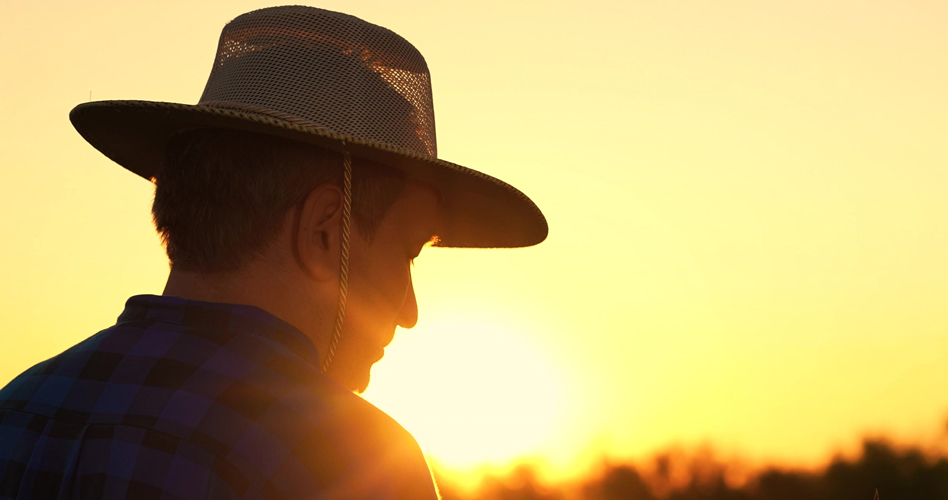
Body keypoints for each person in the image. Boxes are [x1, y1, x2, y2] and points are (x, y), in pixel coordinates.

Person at [0, 6, 547, 499]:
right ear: (324, 231)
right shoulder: (346, 461)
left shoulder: (19, 409)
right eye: (408, 253)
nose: (410, 312)